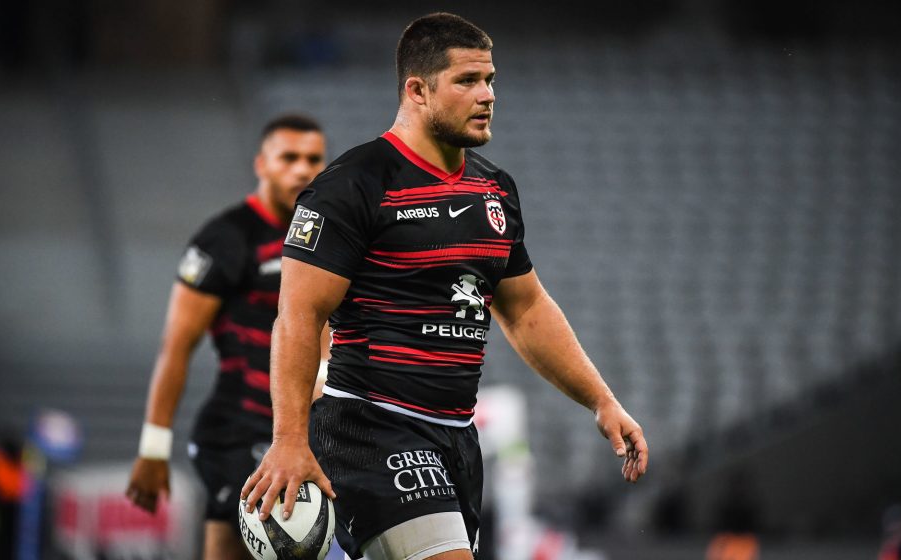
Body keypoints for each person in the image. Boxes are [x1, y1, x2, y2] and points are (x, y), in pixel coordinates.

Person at [241, 13, 648, 560]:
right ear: (417, 89)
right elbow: (297, 316)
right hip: (373, 427)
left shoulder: (494, 189)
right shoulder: (353, 186)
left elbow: (526, 308)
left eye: (491, 81)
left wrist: (600, 400)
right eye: (467, 81)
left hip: (458, 439)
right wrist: (289, 439)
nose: (487, 95)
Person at [125, 114, 328, 560]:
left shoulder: (328, 235)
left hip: (311, 430)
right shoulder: (226, 239)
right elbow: (177, 346)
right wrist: (154, 448)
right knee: (232, 549)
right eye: (288, 158)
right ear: (261, 163)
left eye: (313, 159)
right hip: (239, 428)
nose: (302, 170)